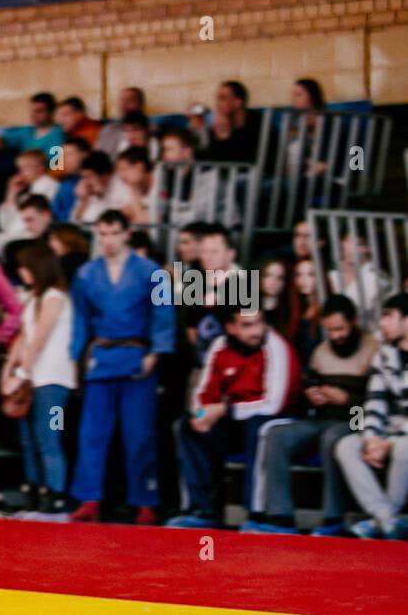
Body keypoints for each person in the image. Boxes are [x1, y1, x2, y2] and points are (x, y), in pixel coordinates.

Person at [68, 209, 173, 524]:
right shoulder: (87, 273)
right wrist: (76, 358)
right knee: (92, 433)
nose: (108, 240)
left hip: (136, 355)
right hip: (101, 355)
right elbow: (80, 319)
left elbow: (163, 314)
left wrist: (156, 352)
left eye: (114, 233)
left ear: (127, 233)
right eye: (102, 234)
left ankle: (145, 501)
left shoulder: (152, 272)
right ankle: (89, 498)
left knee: (139, 434)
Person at [244, 295, 378, 535]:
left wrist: (348, 399)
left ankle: (333, 517)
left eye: (340, 328)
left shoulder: (373, 349)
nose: (335, 335)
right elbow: (309, 383)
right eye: (330, 330)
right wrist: (312, 394)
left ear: (354, 322)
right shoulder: (321, 352)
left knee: (333, 438)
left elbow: (378, 400)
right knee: (276, 435)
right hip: (321, 417)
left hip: (357, 417)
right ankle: (280, 516)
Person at [166, 306, 301, 529]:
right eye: (247, 325)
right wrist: (200, 416)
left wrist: (225, 410)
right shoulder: (220, 346)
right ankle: (201, 510)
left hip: (277, 417)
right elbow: (202, 395)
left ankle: (256, 513)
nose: (256, 331)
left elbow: (275, 403)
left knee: (259, 428)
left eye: (259, 323)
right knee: (187, 425)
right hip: (233, 417)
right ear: (230, 328)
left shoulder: (276, 346)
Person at [3, 243, 74, 515]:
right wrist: (10, 369)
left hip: (54, 380)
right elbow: (24, 338)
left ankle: (54, 492)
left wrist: (19, 374)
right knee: (29, 438)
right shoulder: (33, 298)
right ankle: (33, 487)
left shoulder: (55, 297)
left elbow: (40, 339)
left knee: (49, 437)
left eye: (25, 267)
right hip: (34, 379)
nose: (21, 273)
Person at [332, 293, 408, 540]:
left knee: (404, 448)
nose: (382, 324)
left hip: (403, 435)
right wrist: (371, 438)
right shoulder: (384, 354)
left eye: (388, 317)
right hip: (385, 431)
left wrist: (389, 441)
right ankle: (386, 518)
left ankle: (381, 520)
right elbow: (374, 401)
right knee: (344, 445)